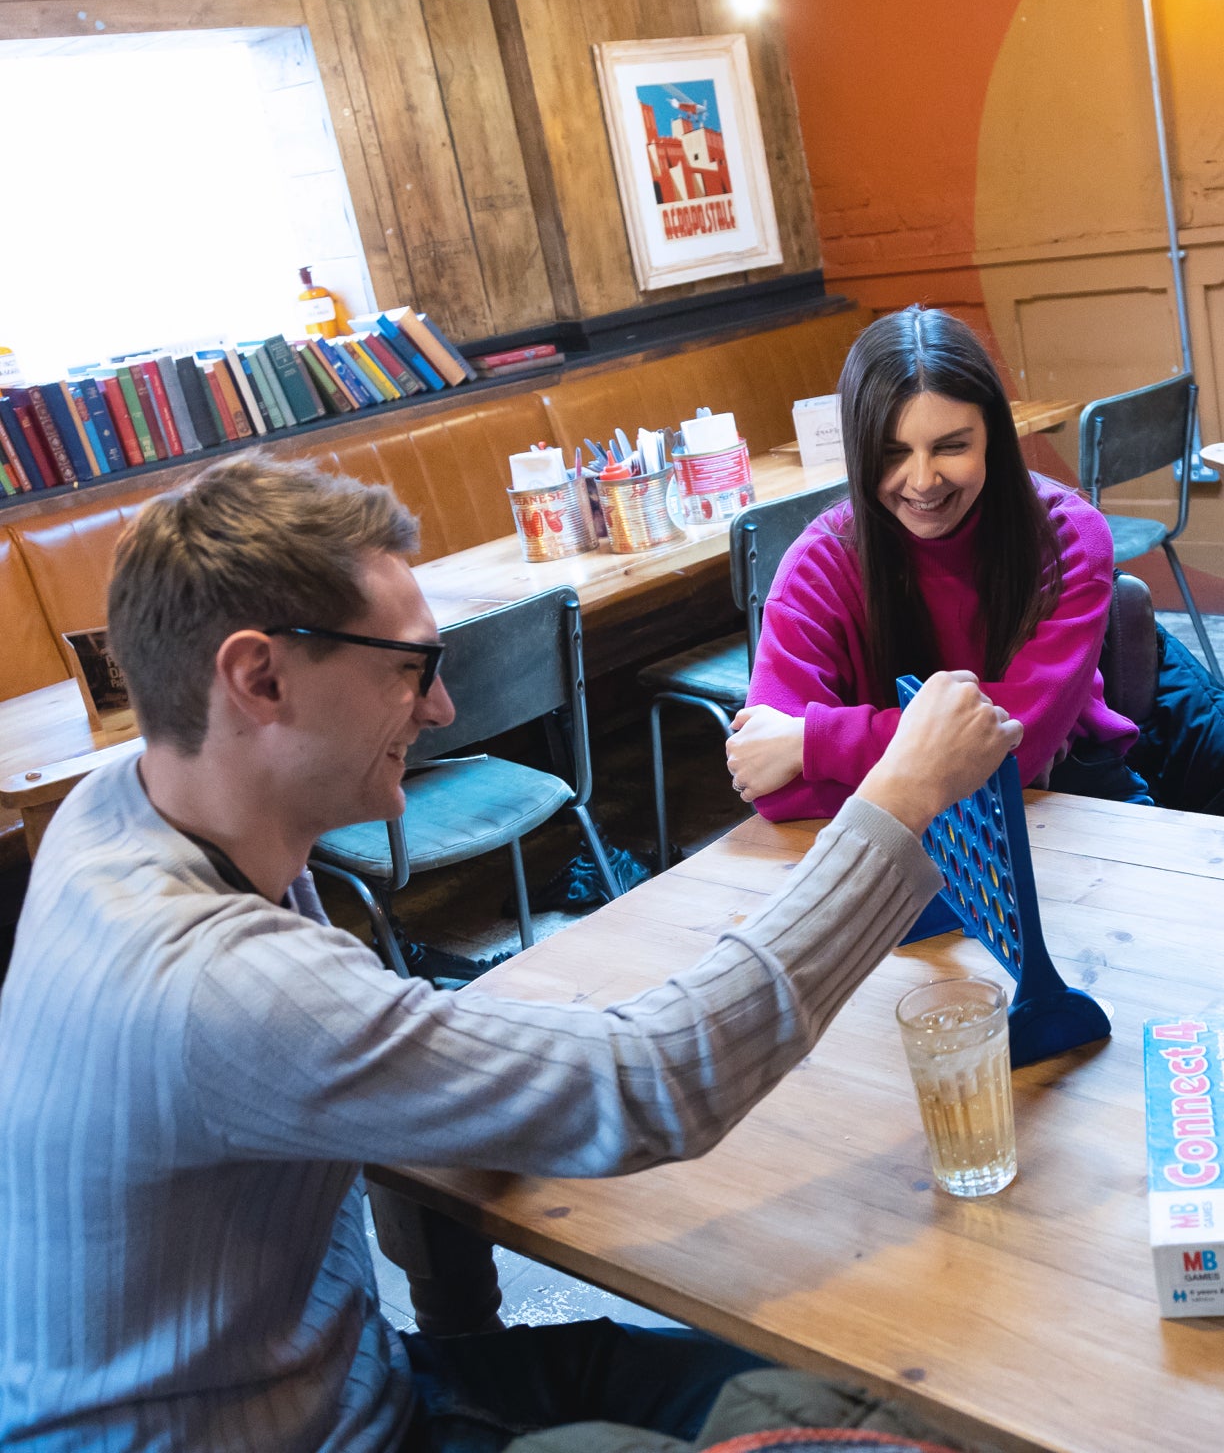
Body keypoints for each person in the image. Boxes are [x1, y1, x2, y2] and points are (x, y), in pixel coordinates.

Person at [0, 452, 1021, 1453]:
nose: (440, 707)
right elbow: (651, 1083)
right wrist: (898, 798)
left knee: (854, 1402)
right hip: (325, 1423)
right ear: (259, 676)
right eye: (410, 667)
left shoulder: (117, 810)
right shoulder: (207, 982)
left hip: (348, 1374)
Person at [727, 305, 1148, 820]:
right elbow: (776, 792)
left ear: (993, 436)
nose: (923, 480)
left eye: (951, 446)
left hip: (1065, 798)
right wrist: (969, 764)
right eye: (891, 452)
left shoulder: (1067, 538)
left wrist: (813, 744)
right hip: (893, 836)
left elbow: (1019, 753)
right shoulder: (817, 567)